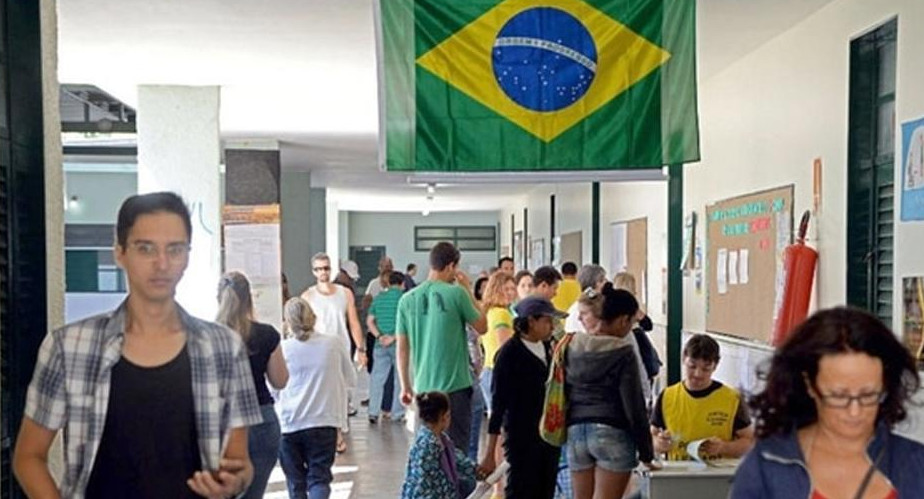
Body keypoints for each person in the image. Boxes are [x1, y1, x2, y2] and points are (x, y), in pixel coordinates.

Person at [13, 192, 262, 498]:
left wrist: (233, 482)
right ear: (119, 253)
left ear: (187, 255)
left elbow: (240, 462)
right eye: (146, 249)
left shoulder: (224, 348)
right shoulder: (70, 347)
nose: (162, 263)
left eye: (175, 249)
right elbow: (28, 456)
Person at [731, 307, 924, 498]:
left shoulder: (916, 463)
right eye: (839, 396)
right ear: (809, 385)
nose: (855, 411)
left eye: (869, 395)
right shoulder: (767, 466)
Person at [566, 284, 658, 499]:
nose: (630, 329)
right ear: (622, 319)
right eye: (632, 322)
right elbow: (633, 404)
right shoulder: (622, 352)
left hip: (576, 433)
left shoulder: (572, 345)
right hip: (612, 432)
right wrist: (646, 452)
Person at [397, 242, 487, 453]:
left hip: (424, 387)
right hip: (455, 387)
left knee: (427, 450)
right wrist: (467, 289)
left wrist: (405, 385)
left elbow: (402, 347)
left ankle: (432, 486)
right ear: (451, 266)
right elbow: (482, 326)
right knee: (457, 452)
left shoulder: (407, 300)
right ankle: (456, 486)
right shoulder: (456, 294)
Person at [480, 296, 564, 499]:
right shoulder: (509, 355)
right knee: (521, 489)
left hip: (549, 435)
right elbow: (498, 405)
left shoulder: (550, 348)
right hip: (522, 437)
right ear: (531, 321)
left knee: (546, 489)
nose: (551, 326)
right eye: (546, 320)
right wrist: (490, 452)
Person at [216, 271, 290, 499]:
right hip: (261, 420)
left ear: (218, 298)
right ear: (249, 299)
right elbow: (280, 381)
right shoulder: (266, 334)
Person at [275, 297, 356, 499]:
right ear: (312, 317)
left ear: (288, 322)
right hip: (323, 421)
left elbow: (273, 387)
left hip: (289, 423)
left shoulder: (282, 349)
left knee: (295, 483)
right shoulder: (333, 344)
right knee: (319, 479)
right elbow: (351, 379)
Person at [650, 334, 753, 460]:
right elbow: (651, 436)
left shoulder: (731, 399)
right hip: (678, 474)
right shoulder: (667, 396)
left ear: (715, 366)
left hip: (717, 475)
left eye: (706, 369)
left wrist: (724, 447)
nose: (697, 374)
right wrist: (659, 443)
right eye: (692, 366)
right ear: (684, 359)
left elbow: (749, 441)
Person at [300, 252, 365, 453]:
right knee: (323, 393)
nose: (323, 273)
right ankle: (333, 434)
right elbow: (304, 326)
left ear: (331, 269)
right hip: (317, 351)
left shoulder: (344, 293)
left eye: (326, 268)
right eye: (319, 269)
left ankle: (337, 431)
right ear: (313, 271)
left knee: (342, 393)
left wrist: (361, 348)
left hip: (341, 348)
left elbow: (353, 321)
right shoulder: (308, 296)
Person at [402, 392, 482, 499]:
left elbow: (458, 460)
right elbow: (422, 485)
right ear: (445, 416)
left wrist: (476, 470)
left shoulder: (442, 440)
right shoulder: (428, 446)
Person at [366, 271, 406, 424]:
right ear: (402, 284)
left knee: (377, 378)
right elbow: (407, 324)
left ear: (388, 283)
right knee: (399, 379)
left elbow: (370, 321)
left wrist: (379, 336)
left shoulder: (378, 298)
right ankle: (397, 413)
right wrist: (393, 337)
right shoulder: (404, 299)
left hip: (379, 344)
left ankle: (373, 412)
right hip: (398, 345)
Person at [478, 271, 517, 412]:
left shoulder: (490, 311)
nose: (511, 293)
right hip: (500, 373)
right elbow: (506, 349)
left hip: (489, 370)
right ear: (496, 290)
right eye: (506, 289)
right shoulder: (502, 314)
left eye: (513, 288)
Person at [563, 264, 607, 334]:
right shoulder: (589, 306)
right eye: (602, 280)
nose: (606, 283)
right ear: (594, 283)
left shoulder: (579, 305)